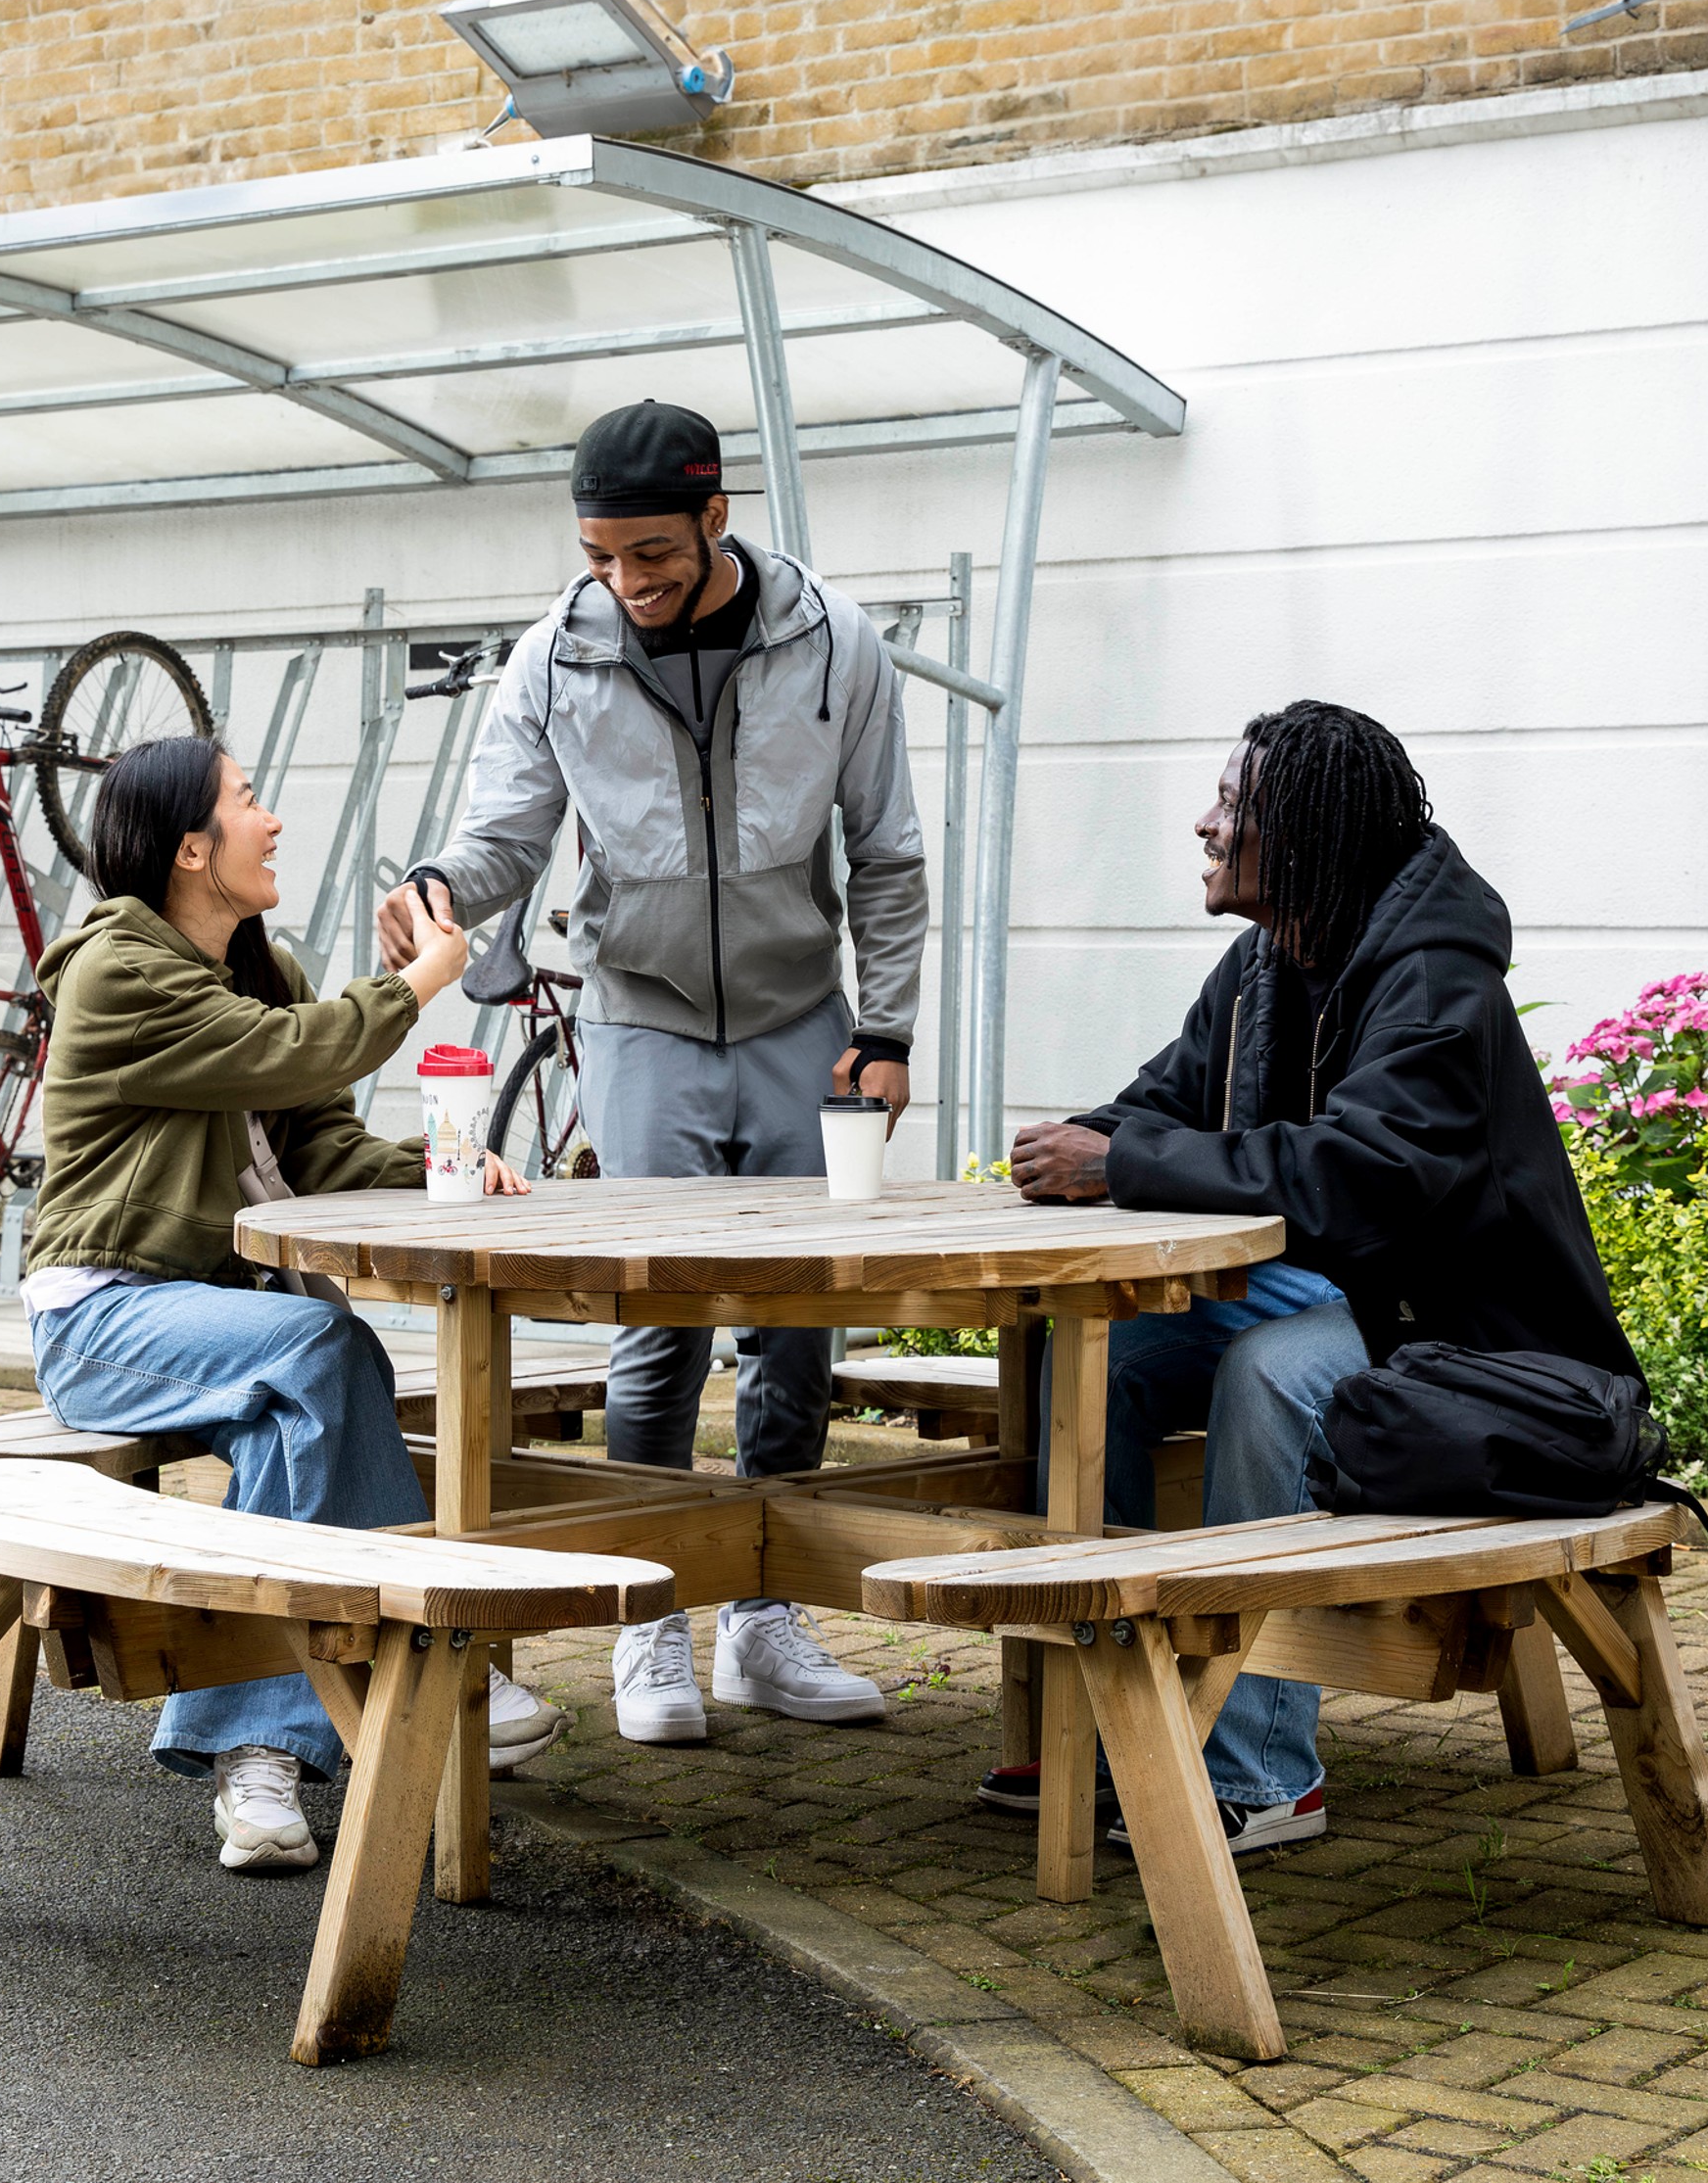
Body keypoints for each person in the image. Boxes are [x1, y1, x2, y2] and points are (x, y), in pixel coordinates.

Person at [378, 398, 927, 1745]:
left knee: (802, 1318)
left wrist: (891, 1030)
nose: (627, 583)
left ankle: (764, 1622)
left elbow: (890, 857)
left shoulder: (834, 644)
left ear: (716, 518)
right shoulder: (553, 659)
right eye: (600, 556)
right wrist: (441, 884)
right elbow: (503, 834)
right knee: (656, 1315)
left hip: (807, 1013)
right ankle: (647, 1625)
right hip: (641, 1013)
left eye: (652, 556)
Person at [998, 700, 1636, 1855]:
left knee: (1275, 1375)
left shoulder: (1436, 980)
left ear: (1305, 835)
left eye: (1234, 806)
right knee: (1105, 1357)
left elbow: (1373, 1173)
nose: (1204, 822)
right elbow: (1164, 1103)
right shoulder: (1263, 964)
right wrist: (1082, 1145)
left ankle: (1260, 1771)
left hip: (1451, 1332)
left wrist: (1126, 1161)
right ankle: (1109, 1726)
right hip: (1339, 1294)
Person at [24, 735, 546, 1875]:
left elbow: (320, 1143)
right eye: (249, 802)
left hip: (228, 1321)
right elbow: (281, 1055)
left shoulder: (266, 967)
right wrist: (418, 980)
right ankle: (433, 1659)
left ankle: (258, 1750)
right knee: (321, 1346)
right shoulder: (121, 971)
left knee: (307, 1389)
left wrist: (445, 1166)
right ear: (192, 848)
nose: (273, 821)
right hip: (105, 1314)